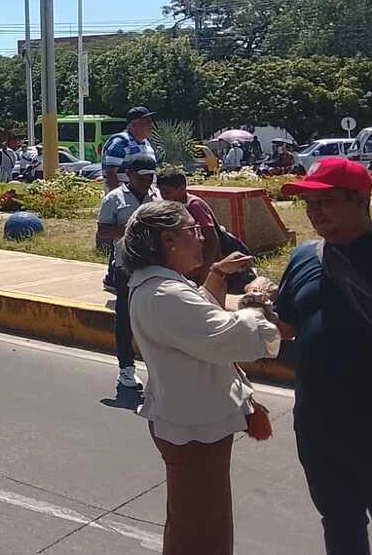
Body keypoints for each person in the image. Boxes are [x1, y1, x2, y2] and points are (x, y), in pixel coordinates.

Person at [123, 200, 280, 555]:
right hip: (194, 429)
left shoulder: (163, 286)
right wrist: (254, 302)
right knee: (201, 530)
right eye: (193, 231)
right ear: (169, 241)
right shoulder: (164, 294)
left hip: (190, 422)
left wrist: (218, 274)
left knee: (199, 521)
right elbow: (225, 337)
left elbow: (196, 321)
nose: (201, 238)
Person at [273, 158, 372, 555]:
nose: (315, 214)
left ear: (360, 201)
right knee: (340, 522)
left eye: (326, 202)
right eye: (309, 204)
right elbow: (288, 326)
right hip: (321, 428)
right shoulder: (305, 258)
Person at [97, 154, 161, 390]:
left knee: (154, 317)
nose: (147, 181)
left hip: (154, 265)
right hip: (126, 265)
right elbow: (103, 230)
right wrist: (134, 230)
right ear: (130, 175)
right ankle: (126, 368)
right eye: (142, 177)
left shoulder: (156, 196)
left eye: (150, 176)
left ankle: (158, 367)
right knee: (125, 317)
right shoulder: (114, 199)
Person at [102, 106, 158, 191]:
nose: (151, 125)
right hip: (127, 199)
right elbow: (110, 174)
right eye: (147, 122)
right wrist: (117, 198)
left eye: (150, 122)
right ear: (134, 124)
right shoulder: (121, 142)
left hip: (145, 198)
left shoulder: (147, 143)